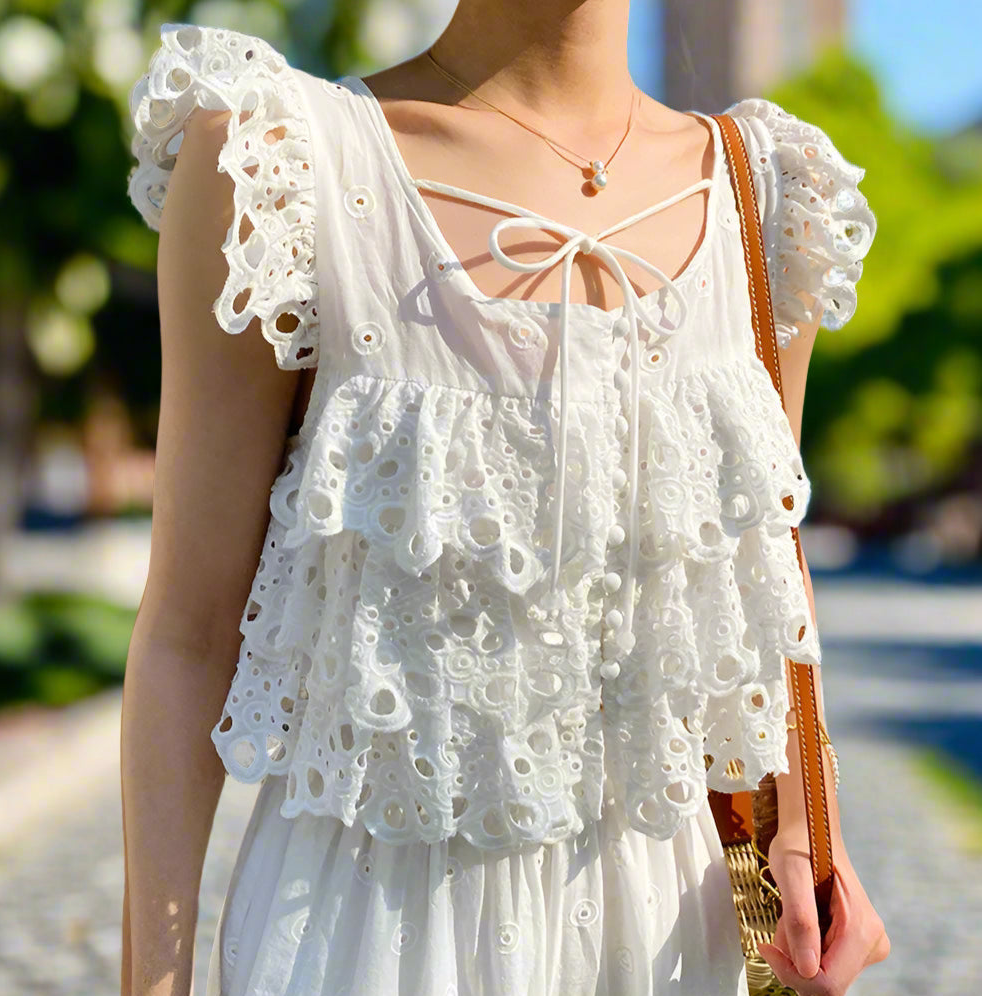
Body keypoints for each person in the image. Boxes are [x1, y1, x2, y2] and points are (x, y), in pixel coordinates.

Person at [121, 3, 890, 994]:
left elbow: (761, 579)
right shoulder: (280, 163)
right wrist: (153, 982)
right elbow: (187, 630)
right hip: (360, 934)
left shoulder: (766, 194)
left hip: (667, 935)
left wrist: (800, 830)